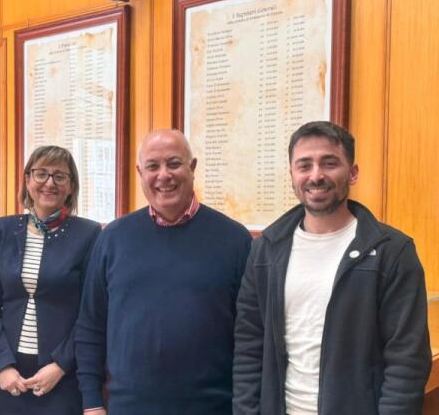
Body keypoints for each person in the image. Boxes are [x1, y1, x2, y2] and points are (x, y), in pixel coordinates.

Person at [232, 121, 431, 415]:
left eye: (329, 163)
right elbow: (249, 346)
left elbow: (407, 359)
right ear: (292, 176)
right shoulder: (265, 250)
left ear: (353, 173)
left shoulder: (392, 252)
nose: (316, 175)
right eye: (304, 165)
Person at [75, 129, 252, 415]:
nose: (163, 175)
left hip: (212, 408)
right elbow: (90, 328)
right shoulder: (112, 239)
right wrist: (92, 404)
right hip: (128, 408)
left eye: (174, 163)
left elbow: (250, 340)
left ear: (192, 167)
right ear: (140, 172)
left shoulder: (235, 240)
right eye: (153, 166)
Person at [0, 145, 101, 415]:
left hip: (63, 376)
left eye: (60, 176)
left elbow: (91, 311)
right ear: (27, 179)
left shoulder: (89, 234)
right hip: (8, 377)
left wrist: (61, 365)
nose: (49, 183)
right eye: (41, 173)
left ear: (71, 186)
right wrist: (2, 364)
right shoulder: (2, 229)